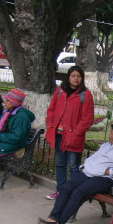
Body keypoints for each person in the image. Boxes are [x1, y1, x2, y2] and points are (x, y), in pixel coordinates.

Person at [37, 122, 113, 224]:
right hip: (90, 172)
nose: (109, 135)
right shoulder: (106, 145)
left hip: (106, 179)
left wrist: (106, 170)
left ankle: (58, 223)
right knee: (66, 188)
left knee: (79, 192)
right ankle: (53, 218)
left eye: (111, 133)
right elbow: (93, 159)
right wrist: (87, 166)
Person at [45, 65, 95, 200]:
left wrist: (76, 132)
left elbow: (88, 118)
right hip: (58, 135)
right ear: (69, 77)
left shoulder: (85, 95)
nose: (75, 78)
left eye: (78, 76)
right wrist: (50, 124)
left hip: (73, 137)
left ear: (82, 78)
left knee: (73, 165)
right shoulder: (60, 91)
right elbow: (52, 109)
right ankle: (61, 191)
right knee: (60, 163)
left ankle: (73, 194)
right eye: (73, 76)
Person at [0, 88, 34, 161]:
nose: (5, 102)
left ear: (14, 103)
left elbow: (16, 137)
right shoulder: (7, 113)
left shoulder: (21, 118)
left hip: (11, 147)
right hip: (1, 144)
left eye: (7, 100)